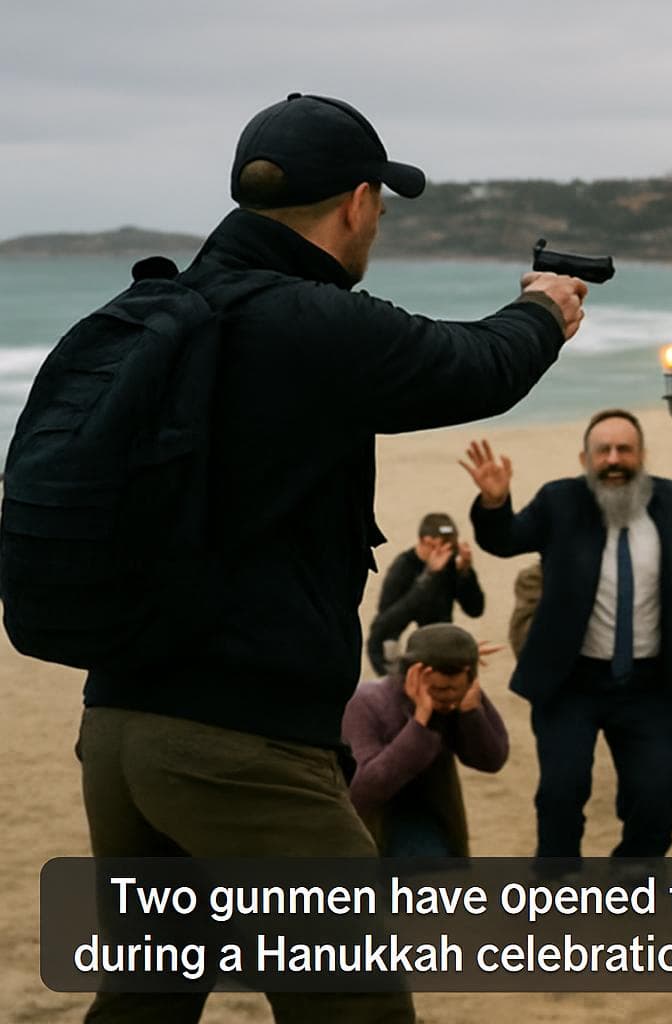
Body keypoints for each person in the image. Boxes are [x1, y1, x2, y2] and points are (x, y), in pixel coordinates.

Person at [74, 93, 587, 1024]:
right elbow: (474, 365)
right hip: (243, 745)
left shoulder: (162, 312)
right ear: (357, 202)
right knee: (359, 1007)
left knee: (147, 998)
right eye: (380, 207)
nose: (376, 224)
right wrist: (545, 310)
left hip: (116, 726)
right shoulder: (308, 322)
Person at [460, 411, 672, 860]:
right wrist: (494, 503)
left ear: (642, 456)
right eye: (603, 451)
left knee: (653, 807)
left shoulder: (670, 501)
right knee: (561, 795)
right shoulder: (559, 501)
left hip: (648, 687)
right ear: (585, 459)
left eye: (624, 450)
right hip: (571, 684)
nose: (614, 460)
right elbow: (505, 540)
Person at [342, 623, 507, 856]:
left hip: (433, 822)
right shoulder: (365, 702)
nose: (449, 697)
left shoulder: (462, 696)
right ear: (414, 674)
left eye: (455, 689)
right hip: (376, 826)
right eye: (439, 690)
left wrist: (471, 712)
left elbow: (491, 760)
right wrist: (420, 722)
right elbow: (363, 790)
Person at [365, 512, 485, 675]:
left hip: (434, 645)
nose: (448, 553)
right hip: (388, 649)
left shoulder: (449, 564)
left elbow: (475, 610)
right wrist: (429, 576)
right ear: (426, 542)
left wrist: (465, 572)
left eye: (452, 547)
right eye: (444, 546)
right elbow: (385, 624)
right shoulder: (403, 567)